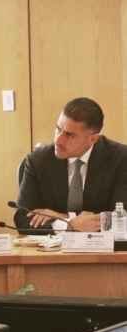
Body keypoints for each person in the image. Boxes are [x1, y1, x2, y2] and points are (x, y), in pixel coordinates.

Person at [16, 97, 127, 232]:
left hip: (102, 245)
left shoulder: (121, 159)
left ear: (93, 139)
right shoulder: (38, 160)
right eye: (58, 129)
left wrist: (63, 218)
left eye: (69, 135)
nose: (58, 140)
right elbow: (22, 219)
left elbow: (122, 219)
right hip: (53, 245)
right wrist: (68, 224)